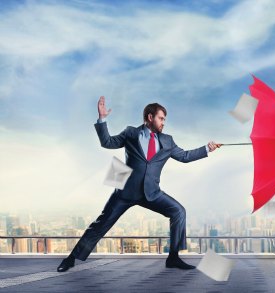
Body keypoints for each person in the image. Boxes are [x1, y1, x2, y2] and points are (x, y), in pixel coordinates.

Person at [57, 96, 222, 272]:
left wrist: (207, 148)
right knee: (101, 223)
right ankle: (71, 258)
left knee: (179, 211)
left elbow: (185, 157)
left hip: (152, 192)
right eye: (161, 118)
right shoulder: (131, 133)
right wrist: (102, 119)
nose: (163, 122)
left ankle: (173, 257)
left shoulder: (167, 140)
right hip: (125, 191)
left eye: (164, 119)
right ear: (150, 117)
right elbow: (107, 142)